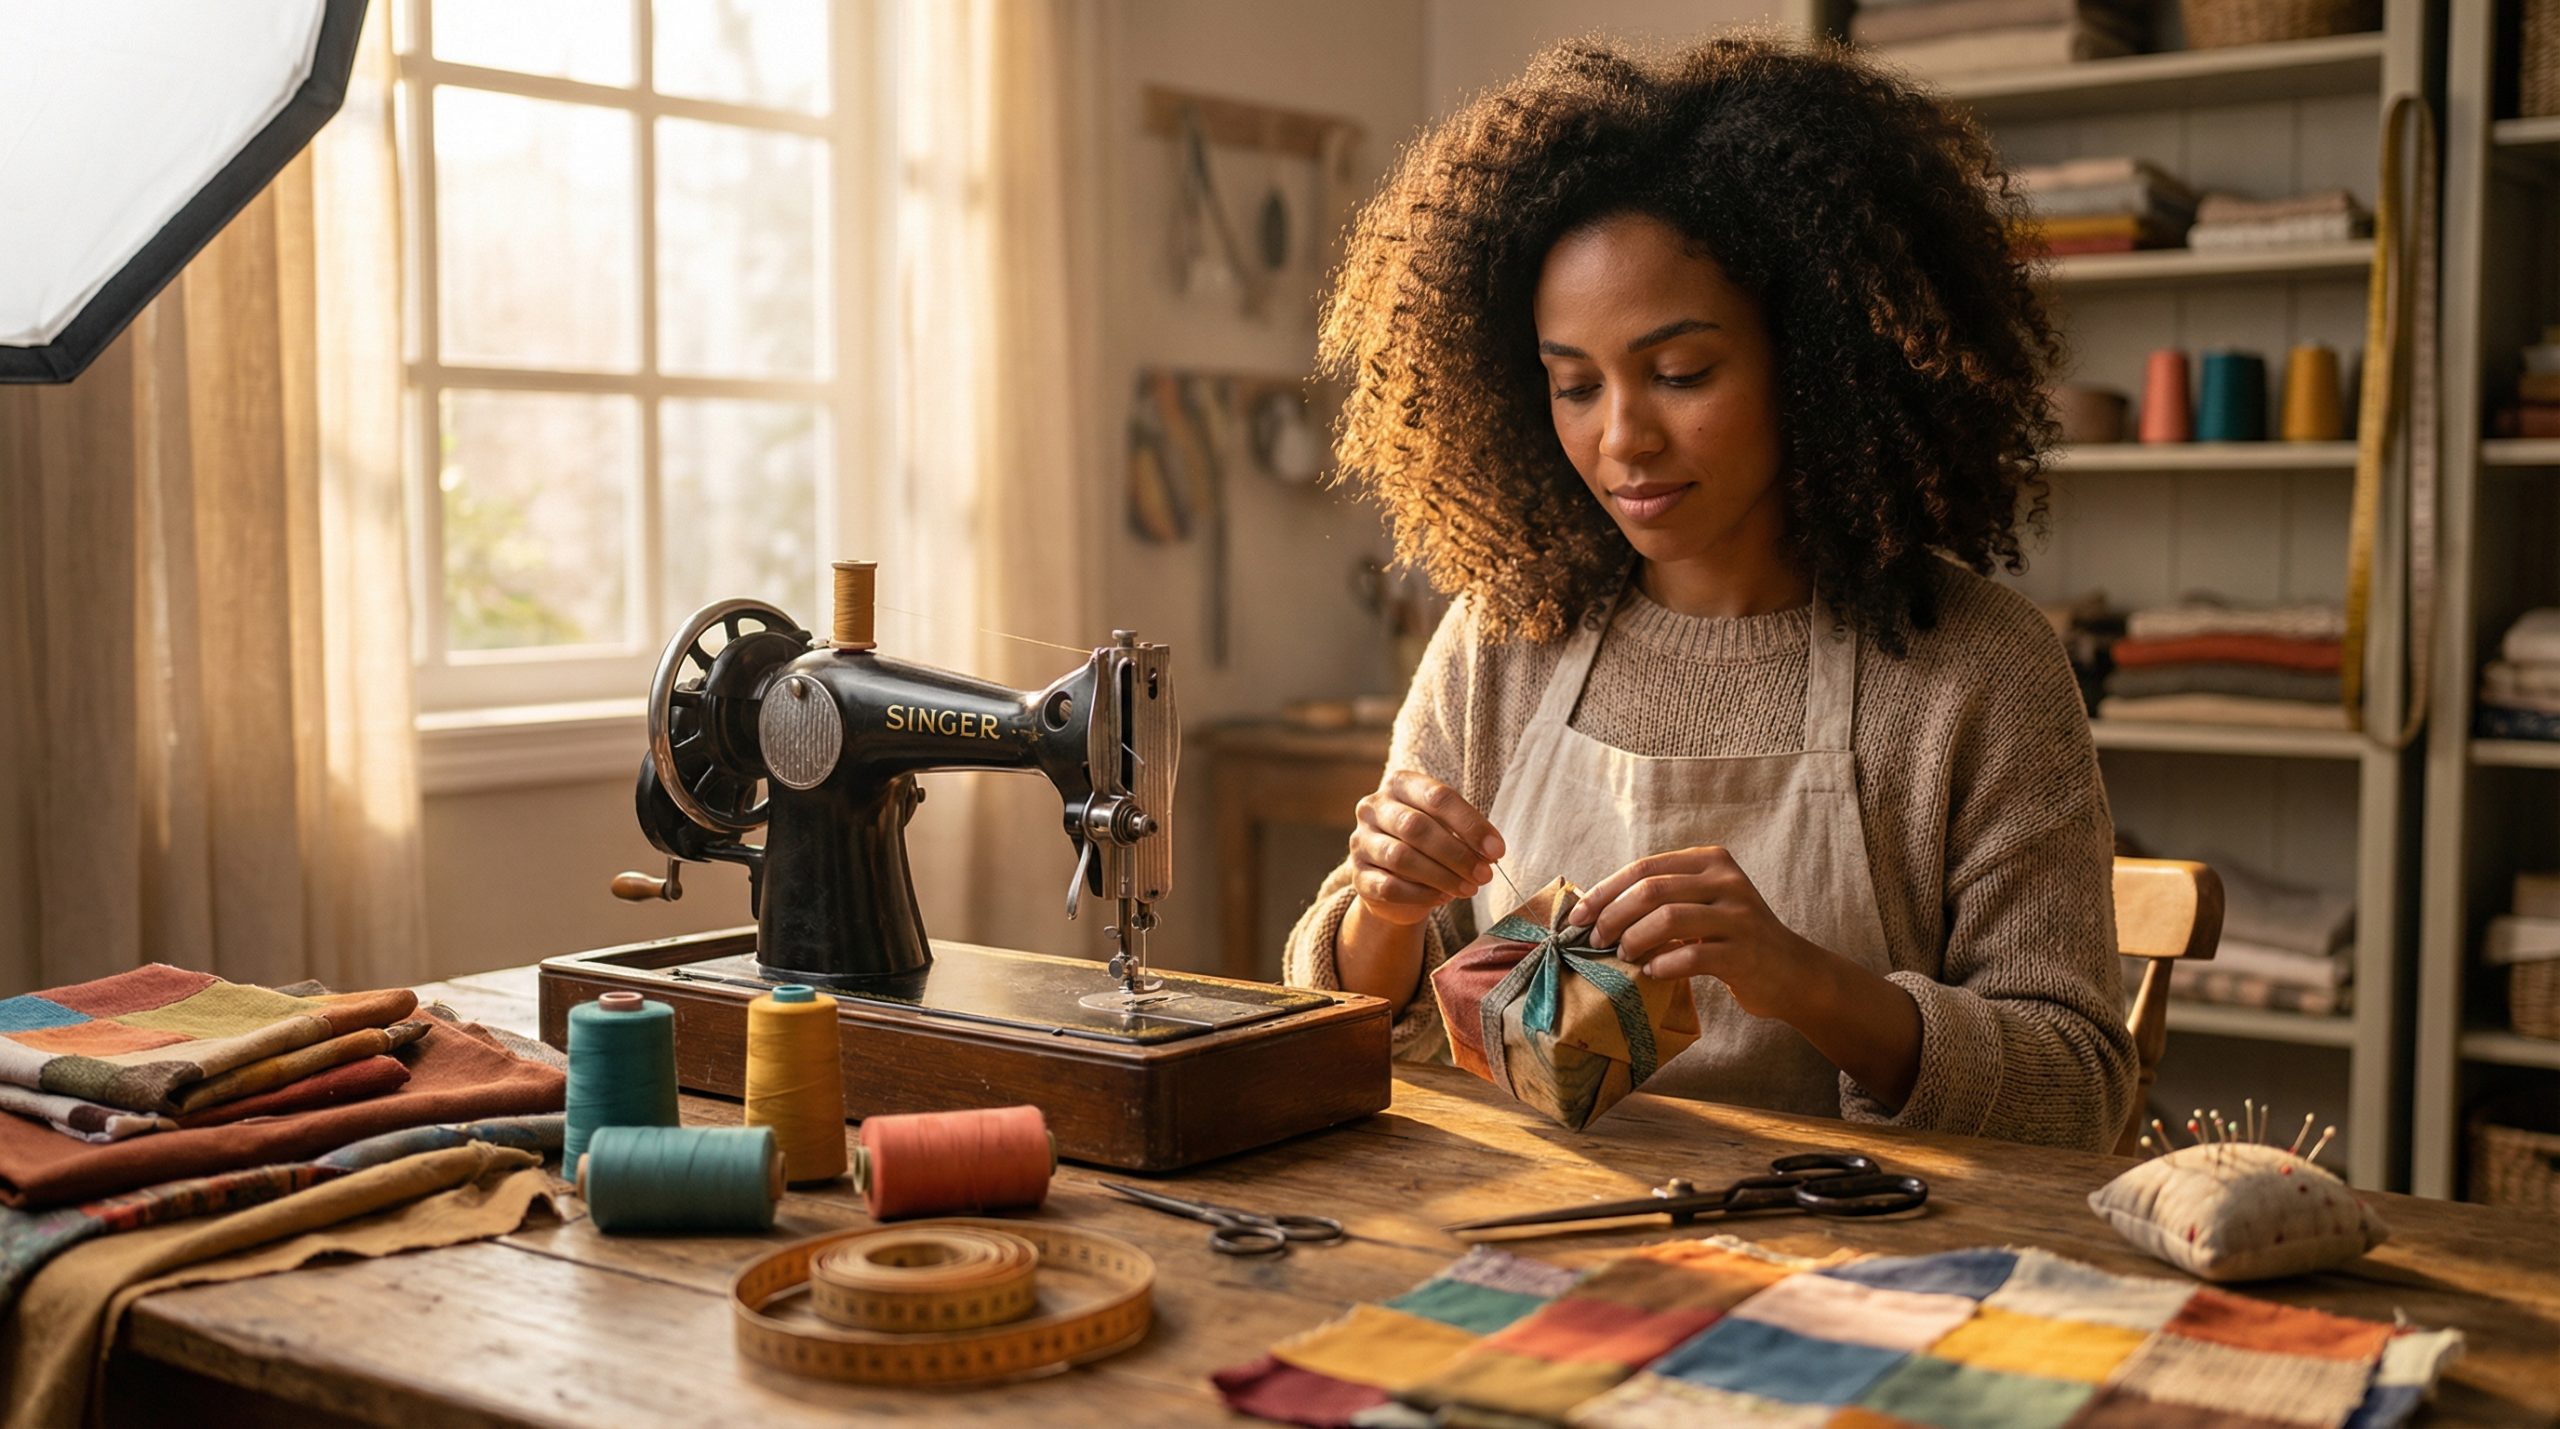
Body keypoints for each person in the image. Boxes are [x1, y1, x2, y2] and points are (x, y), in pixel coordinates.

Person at [1283, 34, 2134, 1150]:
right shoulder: (1504, 639)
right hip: (1539, 1216)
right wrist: (1384, 913)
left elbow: (2077, 1091)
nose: (1622, 438)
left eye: (1680, 374)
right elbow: (1343, 1025)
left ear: (1816, 353)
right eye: (1574, 385)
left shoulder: (1976, 669)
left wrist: (1804, 981)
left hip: (1852, 1237)